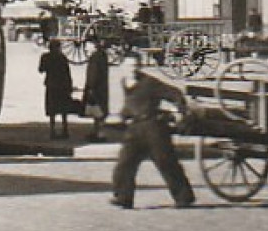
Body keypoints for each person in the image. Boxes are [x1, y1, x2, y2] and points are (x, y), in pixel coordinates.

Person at [111, 51, 196, 210]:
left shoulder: (150, 83)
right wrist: (123, 116)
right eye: (129, 66)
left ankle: (184, 197)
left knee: (166, 162)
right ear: (122, 67)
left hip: (154, 128)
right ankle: (123, 197)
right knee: (124, 163)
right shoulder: (125, 82)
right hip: (135, 129)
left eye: (136, 66)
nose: (132, 69)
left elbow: (174, 93)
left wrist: (180, 110)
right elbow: (131, 104)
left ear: (140, 66)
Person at [39, 38, 74, 139]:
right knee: (63, 109)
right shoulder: (62, 58)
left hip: (51, 85)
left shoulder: (45, 57)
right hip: (62, 85)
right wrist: (70, 87)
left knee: (52, 109)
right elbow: (67, 73)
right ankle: (65, 130)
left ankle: (52, 131)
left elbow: (41, 69)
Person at [81, 37, 111, 140]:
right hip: (102, 86)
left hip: (96, 87)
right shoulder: (102, 55)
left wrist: (91, 87)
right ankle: (97, 132)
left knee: (98, 110)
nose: (85, 48)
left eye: (87, 45)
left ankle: (99, 133)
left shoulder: (95, 57)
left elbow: (93, 74)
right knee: (99, 110)